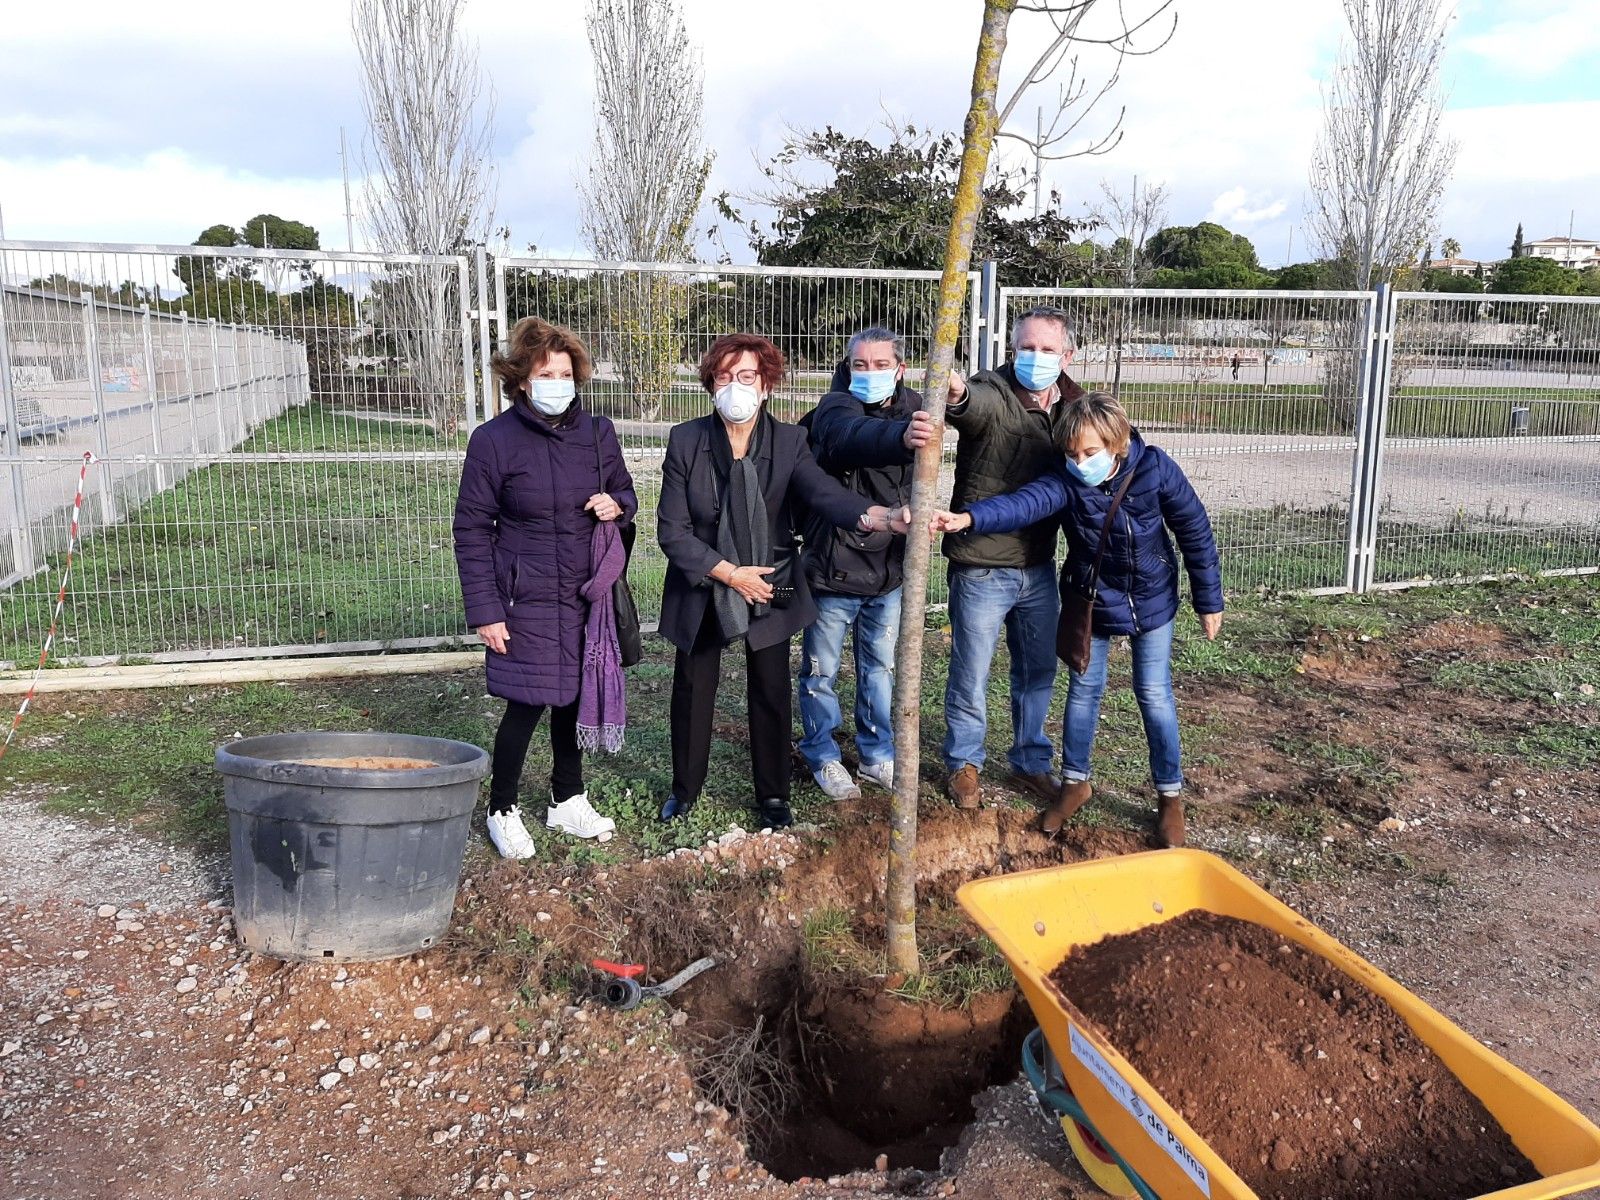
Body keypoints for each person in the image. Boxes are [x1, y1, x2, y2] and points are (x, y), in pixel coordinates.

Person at [931, 390, 1223, 848]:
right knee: (1083, 692)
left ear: (1118, 443)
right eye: (1071, 454)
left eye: (1090, 452)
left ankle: (1169, 798)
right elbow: (1023, 503)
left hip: (1153, 600)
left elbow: (1195, 530)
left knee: (1154, 694)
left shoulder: (1155, 469)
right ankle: (1074, 784)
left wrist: (1209, 601)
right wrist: (969, 518)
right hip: (1093, 602)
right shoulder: (1067, 480)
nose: (1080, 461)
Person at [656, 333, 908, 830]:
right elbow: (673, 530)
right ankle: (685, 790)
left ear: (766, 384)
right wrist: (729, 574)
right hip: (705, 580)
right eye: (724, 377)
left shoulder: (790, 441)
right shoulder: (686, 440)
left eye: (746, 377)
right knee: (692, 685)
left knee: (770, 686)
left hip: (769, 579)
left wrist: (878, 516)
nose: (735, 387)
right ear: (710, 384)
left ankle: (773, 794)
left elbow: (823, 494)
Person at [452, 317, 637, 860]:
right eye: (544, 372)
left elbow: (625, 496)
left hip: (585, 596)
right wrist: (486, 610)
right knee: (526, 703)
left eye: (565, 372)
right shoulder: (493, 442)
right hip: (523, 597)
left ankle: (566, 797)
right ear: (522, 381)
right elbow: (470, 529)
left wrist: (617, 506)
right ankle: (502, 808)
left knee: (573, 697)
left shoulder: (598, 434)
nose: (557, 381)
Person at [939, 305, 1085, 811]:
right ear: (1012, 349)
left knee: (1038, 670)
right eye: (1027, 347)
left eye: (1047, 350)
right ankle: (963, 763)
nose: (1036, 357)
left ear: (1066, 355)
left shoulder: (1074, 406)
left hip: (1038, 563)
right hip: (981, 564)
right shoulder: (995, 391)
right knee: (971, 670)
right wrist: (956, 394)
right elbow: (972, 405)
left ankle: (1029, 761)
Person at [797, 326, 935, 799]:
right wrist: (902, 436)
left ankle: (876, 754)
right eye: (860, 365)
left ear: (900, 369)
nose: (870, 374)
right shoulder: (834, 408)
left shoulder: (918, 404)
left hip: (891, 571)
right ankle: (822, 753)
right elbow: (851, 437)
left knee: (879, 668)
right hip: (834, 563)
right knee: (822, 670)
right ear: (847, 368)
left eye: (881, 365)